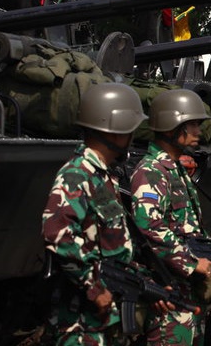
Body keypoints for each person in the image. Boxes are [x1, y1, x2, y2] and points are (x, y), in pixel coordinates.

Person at [41, 82, 150, 345]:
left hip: (102, 317)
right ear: (116, 131)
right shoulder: (78, 174)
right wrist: (94, 287)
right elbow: (57, 234)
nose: (133, 137)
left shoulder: (102, 175)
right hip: (81, 321)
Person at [128, 89, 211, 345]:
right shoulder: (152, 171)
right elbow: (149, 226)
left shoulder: (174, 169)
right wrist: (190, 262)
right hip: (169, 291)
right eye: (192, 124)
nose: (198, 131)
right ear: (170, 127)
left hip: (188, 292)